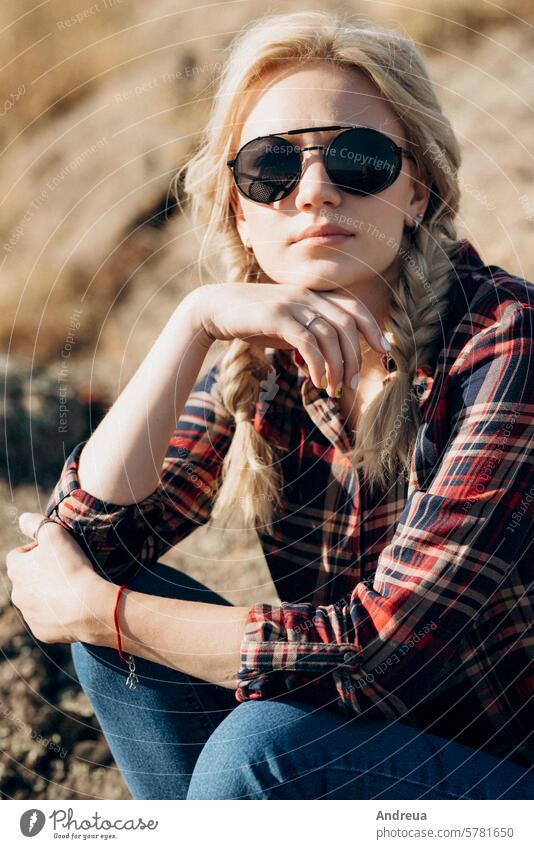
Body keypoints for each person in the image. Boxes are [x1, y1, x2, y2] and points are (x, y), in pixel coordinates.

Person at [7, 10, 534, 801]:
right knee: (128, 643)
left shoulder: (504, 340)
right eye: (271, 170)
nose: (314, 191)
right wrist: (193, 324)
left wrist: (99, 611)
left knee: (263, 751)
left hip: (503, 778)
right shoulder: (268, 356)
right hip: (360, 747)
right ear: (241, 214)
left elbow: (378, 653)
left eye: (358, 159)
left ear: (418, 189)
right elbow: (79, 544)